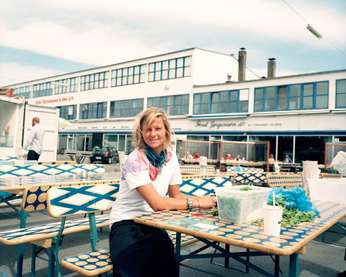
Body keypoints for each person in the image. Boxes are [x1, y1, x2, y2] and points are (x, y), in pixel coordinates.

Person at [109, 108, 216, 277]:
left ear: (166, 130)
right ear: (141, 133)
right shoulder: (135, 159)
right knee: (131, 270)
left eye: (157, 129)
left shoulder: (170, 156)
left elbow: (176, 196)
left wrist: (207, 201)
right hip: (126, 222)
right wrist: (197, 203)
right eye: (148, 130)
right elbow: (157, 203)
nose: (153, 134)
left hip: (152, 221)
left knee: (168, 267)